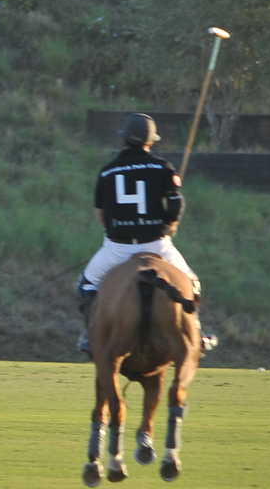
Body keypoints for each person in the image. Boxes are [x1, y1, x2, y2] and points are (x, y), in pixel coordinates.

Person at [75, 113, 217, 355]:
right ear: (151, 141)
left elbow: (101, 214)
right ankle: (197, 333)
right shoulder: (162, 167)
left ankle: (90, 335)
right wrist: (171, 223)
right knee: (192, 284)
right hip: (157, 245)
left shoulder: (107, 172)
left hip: (117, 248)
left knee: (86, 285)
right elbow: (175, 204)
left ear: (123, 140)